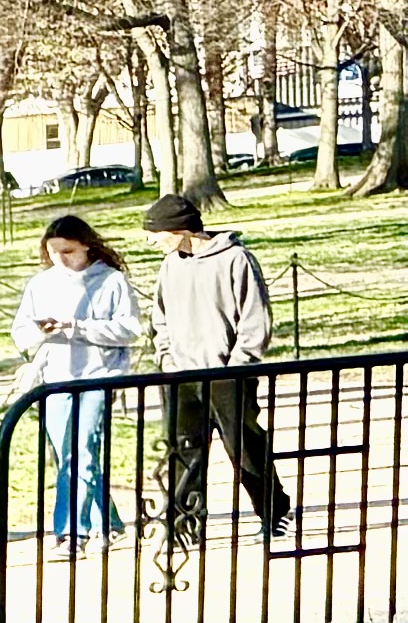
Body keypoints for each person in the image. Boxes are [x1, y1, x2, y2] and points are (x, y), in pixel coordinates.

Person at [150, 193, 293, 547]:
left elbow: (254, 317)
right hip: (181, 376)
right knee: (184, 452)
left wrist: (238, 365)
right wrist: (167, 359)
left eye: (156, 233)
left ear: (181, 229)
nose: (151, 241)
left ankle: (275, 512)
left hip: (228, 374)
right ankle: (185, 525)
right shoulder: (171, 265)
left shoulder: (235, 259)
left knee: (243, 447)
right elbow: (160, 317)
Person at [18, 213, 137, 541]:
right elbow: (20, 333)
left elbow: (130, 329)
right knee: (67, 456)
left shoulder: (111, 281)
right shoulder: (40, 284)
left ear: (86, 245)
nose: (60, 258)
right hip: (55, 379)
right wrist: (40, 332)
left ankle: (71, 532)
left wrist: (78, 327)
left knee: (83, 451)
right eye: (53, 251)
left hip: (99, 377)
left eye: (67, 251)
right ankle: (108, 522)